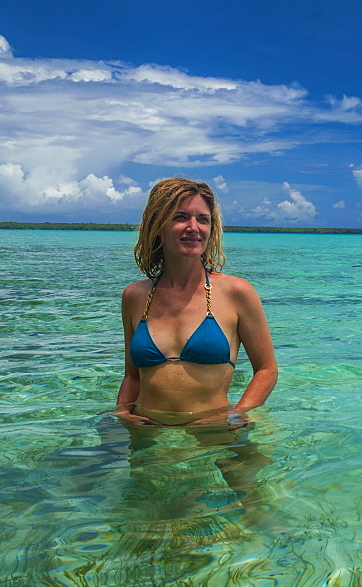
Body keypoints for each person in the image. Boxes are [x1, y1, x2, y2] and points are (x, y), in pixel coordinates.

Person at [116, 177, 278, 426]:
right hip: (147, 430)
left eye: (203, 219)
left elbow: (266, 371)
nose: (194, 227)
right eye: (181, 217)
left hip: (213, 430)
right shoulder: (135, 296)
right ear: (157, 225)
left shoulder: (237, 292)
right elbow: (132, 377)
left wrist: (235, 415)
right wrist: (123, 415)